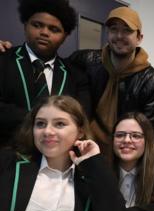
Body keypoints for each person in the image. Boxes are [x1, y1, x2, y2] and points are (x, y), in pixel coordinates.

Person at [0, 95, 124, 211]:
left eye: (59, 124)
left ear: (80, 132)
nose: (47, 131)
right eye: (40, 124)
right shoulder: (9, 163)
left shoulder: (90, 173)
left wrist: (93, 163)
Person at [68, 7, 154, 160]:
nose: (119, 36)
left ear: (139, 38)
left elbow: (149, 132)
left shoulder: (151, 81)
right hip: (84, 151)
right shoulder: (85, 61)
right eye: (113, 29)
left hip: (124, 156)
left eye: (127, 30)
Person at [0, 0, 90, 148]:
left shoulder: (76, 75)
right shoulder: (3, 60)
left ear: (65, 36)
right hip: (7, 157)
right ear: (25, 25)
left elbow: (80, 117)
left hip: (57, 160)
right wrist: (42, 119)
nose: (44, 32)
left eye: (54, 29)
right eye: (37, 25)